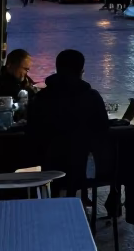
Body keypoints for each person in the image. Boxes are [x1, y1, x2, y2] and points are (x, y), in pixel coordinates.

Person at [26, 49, 110, 194]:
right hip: (80, 165)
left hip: (46, 164)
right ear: (80, 71)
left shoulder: (41, 98)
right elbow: (103, 129)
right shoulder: (91, 97)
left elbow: (32, 129)